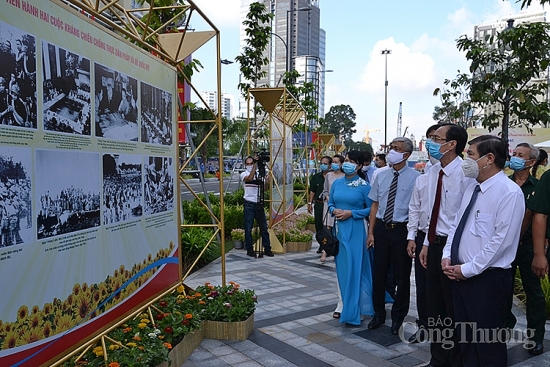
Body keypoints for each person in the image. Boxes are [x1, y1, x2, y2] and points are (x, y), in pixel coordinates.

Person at [442, 135, 524, 367]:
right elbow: (456, 225)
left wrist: (468, 269)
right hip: (461, 276)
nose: (465, 160)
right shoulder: (472, 188)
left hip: (487, 280)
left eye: (470, 155)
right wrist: (447, 255)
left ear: (489, 158)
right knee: (466, 342)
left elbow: (501, 242)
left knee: (488, 345)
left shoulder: (508, 192)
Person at [417, 123, 469, 367]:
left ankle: (456, 360)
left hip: (455, 249)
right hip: (435, 244)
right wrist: (427, 243)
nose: (431, 142)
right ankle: (437, 360)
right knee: (434, 306)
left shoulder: (466, 175)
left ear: (452, 145)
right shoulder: (432, 171)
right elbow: (430, 213)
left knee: (454, 309)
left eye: (436, 138)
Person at [367, 137, 419, 335]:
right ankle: (378, 313)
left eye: (396, 149)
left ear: (406, 154)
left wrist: (411, 237)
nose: (391, 152)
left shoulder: (416, 178)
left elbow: (416, 209)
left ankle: (398, 317)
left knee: (402, 276)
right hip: (381, 228)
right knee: (378, 274)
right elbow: (375, 204)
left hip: (402, 230)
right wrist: (370, 232)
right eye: (390, 148)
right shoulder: (381, 175)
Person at [505, 142, 546, 356]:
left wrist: (541, 252)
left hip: (528, 248)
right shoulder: (503, 183)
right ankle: (504, 329)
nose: (515, 158)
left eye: (520, 155)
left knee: (534, 294)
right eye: (514, 153)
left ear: (531, 162)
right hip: (504, 248)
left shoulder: (539, 186)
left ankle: (536, 337)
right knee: (502, 291)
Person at [327, 150, 373, 325]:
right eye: (346, 160)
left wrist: (351, 213)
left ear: (360, 165)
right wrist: (333, 210)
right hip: (339, 230)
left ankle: (356, 307)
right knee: (343, 268)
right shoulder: (337, 183)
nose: (347, 164)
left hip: (356, 229)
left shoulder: (364, 186)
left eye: (352, 161)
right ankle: (343, 303)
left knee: (356, 267)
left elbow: (371, 209)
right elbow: (330, 203)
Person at [405, 124, 440, 344]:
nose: (430, 145)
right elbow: (415, 208)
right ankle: (424, 324)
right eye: (429, 139)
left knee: (441, 288)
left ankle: (441, 329)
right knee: (423, 285)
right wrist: (411, 236)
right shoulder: (424, 177)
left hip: (443, 240)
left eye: (436, 139)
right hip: (421, 237)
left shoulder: (461, 175)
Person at [240, 156, 273, 258]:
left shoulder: (259, 174)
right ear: (245, 165)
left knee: (263, 227)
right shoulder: (244, 174)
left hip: (258, 203)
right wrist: (254, 167)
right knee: (248, 228)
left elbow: (263, 189)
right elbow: (249, 178)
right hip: (249, 204)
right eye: (248, 164)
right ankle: (250, 249)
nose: (250, 165)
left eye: (252, 163)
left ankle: (267, 248)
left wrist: (266, 181)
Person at [320, 154, 345, 263]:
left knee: (338, 228)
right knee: (328, 228)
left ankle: (338, 250)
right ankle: (325, 251)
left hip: (340, 205)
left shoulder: (344, 176)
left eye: (336, 162)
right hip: (328, 204)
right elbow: (325, 190)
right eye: (333, 162)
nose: (334, 164)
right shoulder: (329, 175)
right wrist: (327, 197)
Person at [308, 156, 332, 252]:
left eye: (325, 164)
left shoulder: (332, 177)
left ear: (330, 165)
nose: (323, 165)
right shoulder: (316, 177)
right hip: (318, 204)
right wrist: (310, 203)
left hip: (328, 204)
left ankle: (328, 246)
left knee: (327, 226)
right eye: (321, 163)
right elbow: (312, 191)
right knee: (318, 225)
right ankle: (321, 244)